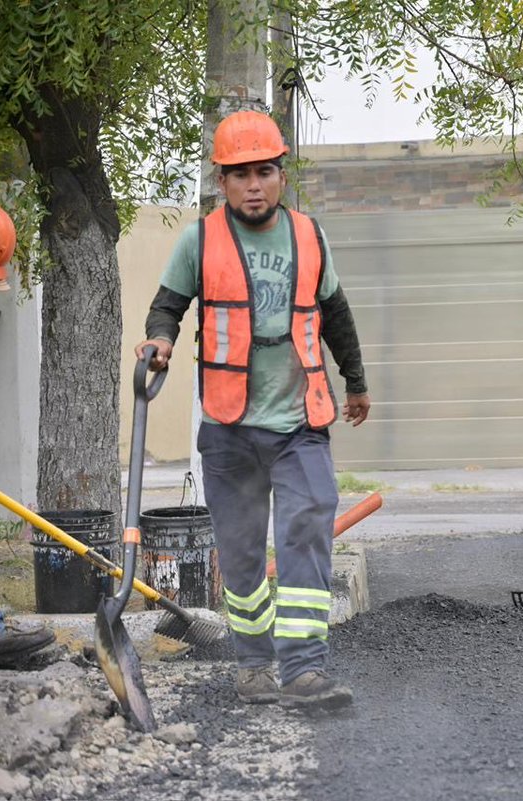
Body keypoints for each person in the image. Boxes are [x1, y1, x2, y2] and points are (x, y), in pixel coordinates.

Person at [135, 110, 370, 710]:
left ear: (281, 175)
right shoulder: (200, 239)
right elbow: (166, 307)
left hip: (299, 421)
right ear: (222, 181)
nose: (254, 185)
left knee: (307, 527)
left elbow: (336, 314)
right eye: (240, 175)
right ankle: (255, 665)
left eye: (264, 172)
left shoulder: (309, 236)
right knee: (241, 556)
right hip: (229, 428)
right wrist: (159, 341)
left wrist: (357, 383)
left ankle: (305, 670)